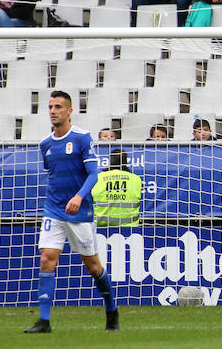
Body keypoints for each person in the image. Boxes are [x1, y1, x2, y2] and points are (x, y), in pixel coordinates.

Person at [24, 90, 118, 334]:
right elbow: (52, 176)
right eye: (50, 107)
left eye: (58, 107)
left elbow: (94, 174)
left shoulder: (82, 138)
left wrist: (78, 196)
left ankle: (111, 311)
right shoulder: (45, 144)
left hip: (80, 212)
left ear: (69, 110)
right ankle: (44, 321)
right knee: (47, 259)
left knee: (94, 266)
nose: (53, 111)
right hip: (53, 209)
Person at [92, 148, 142, 228]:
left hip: (99, 226)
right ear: (126, 162)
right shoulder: (136, 179)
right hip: (129, 227)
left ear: (110, 161)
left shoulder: (98, 178)